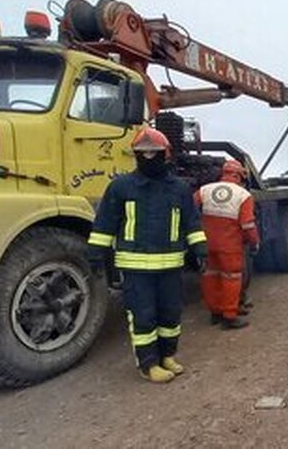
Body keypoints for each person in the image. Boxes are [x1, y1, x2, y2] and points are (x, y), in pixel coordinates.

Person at [88, 127, 207, 384]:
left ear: (166, 155)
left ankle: (168, 356)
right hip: (135, 267)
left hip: (171, 264)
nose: (149, 157)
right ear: (135, 155)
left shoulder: (179, 189)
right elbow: (105, 223)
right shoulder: (121, 187)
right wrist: (96, 255)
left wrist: (200, 250)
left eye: (155, 152)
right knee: (143, 315)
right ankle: (148, 364)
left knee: (171, 314)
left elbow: (192, 222)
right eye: (143, 153)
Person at [195, 159, 260, 330]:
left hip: (207, 243)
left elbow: (190, 210)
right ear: (240, 176)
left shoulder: (204, 190)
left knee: (210, 277)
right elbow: (248, 224)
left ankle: (215, 313)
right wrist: (254, 241)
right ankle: (229, 316)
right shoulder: (243, 195)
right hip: (230, 245)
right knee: (231, 279)